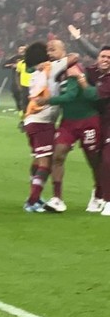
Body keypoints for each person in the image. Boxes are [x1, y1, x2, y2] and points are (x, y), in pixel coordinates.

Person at [34, 41, 102, 213]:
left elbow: (70, 96)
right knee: (58, 155)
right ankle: (57, 198)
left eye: (53, 49)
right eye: (47, 50)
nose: (49, 53)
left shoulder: (73, 69)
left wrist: (46, 101)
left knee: (94, 160)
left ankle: (98, 193)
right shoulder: (53, 70)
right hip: (68, 122)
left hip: (88, 121)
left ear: (64, 51)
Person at [20, 43, 60, 212]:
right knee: (46, 161)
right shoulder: (49, 69)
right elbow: (74, 58)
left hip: (32, 120)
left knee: (38, 158)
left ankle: (34, 197)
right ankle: (32, 200)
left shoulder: (35, 73)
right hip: (42, 121)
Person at [84, 46, 110, 215]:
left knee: (108, 160)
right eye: (103, 56)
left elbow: (95, 94)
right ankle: (97, 192)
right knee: (95, 160)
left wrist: (82, 82)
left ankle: (108, 200)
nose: (106, 59)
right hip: (92, 121)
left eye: (109, 57)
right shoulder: (90, 71)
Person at [3, 45, 27, 113]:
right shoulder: (14, 58)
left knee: (25, 96)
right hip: (16, 80)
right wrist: (13, 65)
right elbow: (4, 65)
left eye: (23, 49)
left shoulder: (28, 58)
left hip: (25, 80)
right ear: (18, 50)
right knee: (15, 94)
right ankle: (20, 108)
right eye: (20, 49)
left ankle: (24, 109)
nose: (22, 50)